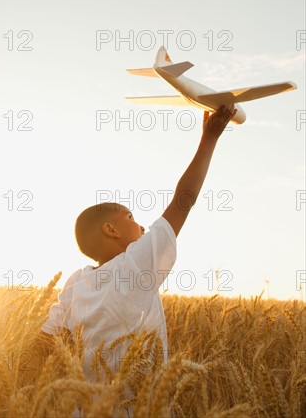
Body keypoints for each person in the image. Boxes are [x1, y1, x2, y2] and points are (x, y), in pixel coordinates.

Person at [38, 105, 237, 416]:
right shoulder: (135, 265)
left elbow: (47, 340)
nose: (142, 225)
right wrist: (208, 140)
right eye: (131, 216)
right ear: (110, 229)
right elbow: (183, 201)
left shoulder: (76, 281)